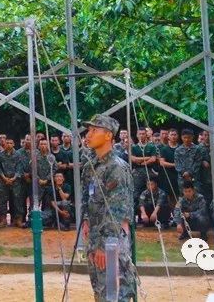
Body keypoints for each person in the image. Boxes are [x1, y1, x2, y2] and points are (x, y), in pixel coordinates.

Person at [80, 114, 136, 302]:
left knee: (114, 293)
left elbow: (117, 210)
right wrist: (86, 221)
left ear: (108, 135)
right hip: (95, 237)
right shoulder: (90, 167)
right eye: (88, 130)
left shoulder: (117, 167)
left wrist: (106, 245)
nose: (88, 134)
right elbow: (87, 198)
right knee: (100, 290)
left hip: (111, 240)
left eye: (94, 130)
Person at [0, 136, 28, 227]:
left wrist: (14, 178)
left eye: (11, 143)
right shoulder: (0, 154)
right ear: (5, 144)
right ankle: (3, 220)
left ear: (14, 144)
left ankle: (18, 219)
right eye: (7, 143)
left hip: (16, 182)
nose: (9, 145)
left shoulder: (18, 154)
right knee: (2, 201)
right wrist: (4, 178)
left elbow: (20, 168)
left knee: (18, 200)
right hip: (4, 181)